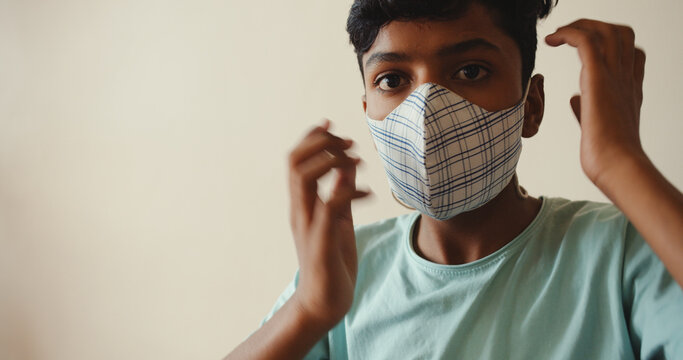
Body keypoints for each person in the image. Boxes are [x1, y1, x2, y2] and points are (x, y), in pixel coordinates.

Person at [225, 1, 683, 359]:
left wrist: (621, 162)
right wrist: (308, 312)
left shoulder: (626, 249)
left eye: (470, 71)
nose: (426, 110)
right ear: (368, 112)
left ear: (532, 105)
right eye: (393, 79)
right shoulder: (343, 271)